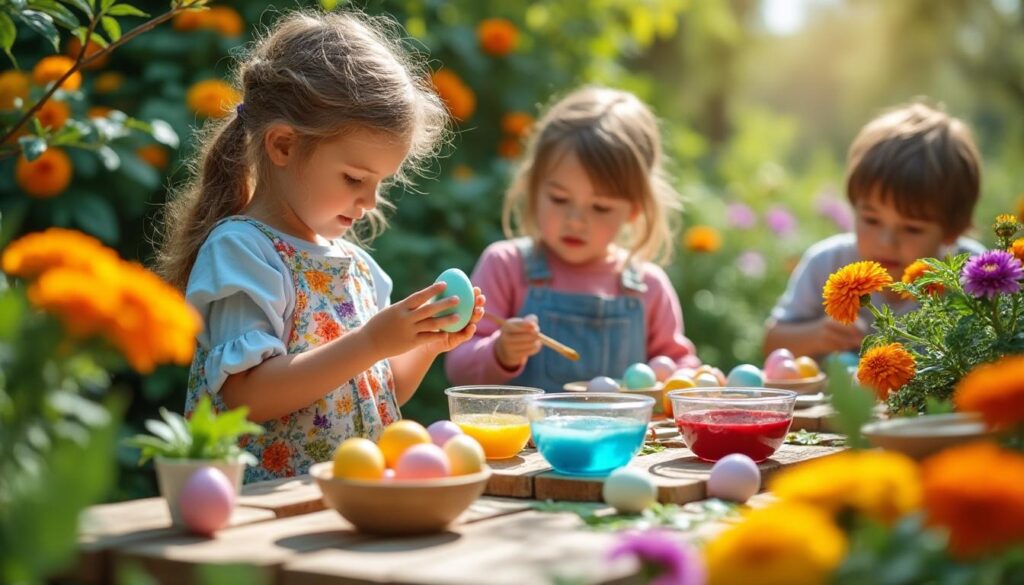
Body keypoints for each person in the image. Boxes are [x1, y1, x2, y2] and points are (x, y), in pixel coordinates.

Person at [157, 11, 483, 482]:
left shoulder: (357, 266)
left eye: (380, 183)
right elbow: (246, 396)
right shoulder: (242, 251)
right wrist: (371, 341)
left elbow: (376, 393)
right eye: (354, 178)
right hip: (262, 509)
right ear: (283, 145)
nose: (370, 202)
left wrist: (424, 344)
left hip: (348, 499)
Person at [445, 87, 700, 393]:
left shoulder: (647, 287)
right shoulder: (507, 267)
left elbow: (677, 367)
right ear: (534, 188)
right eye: (559, 198)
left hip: (620, 428)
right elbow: (458, 368)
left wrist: (689, 378)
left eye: (600, 207)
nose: (576, 220)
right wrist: (500, 352)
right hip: (524, 428)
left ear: (633, 209)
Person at [764, 102, 985, 359]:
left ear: (952, 230)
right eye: (871, 220)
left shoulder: (973, 273)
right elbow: (772, 342)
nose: (886, 241)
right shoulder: (827, 263)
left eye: (912, 228)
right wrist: (817, 335)